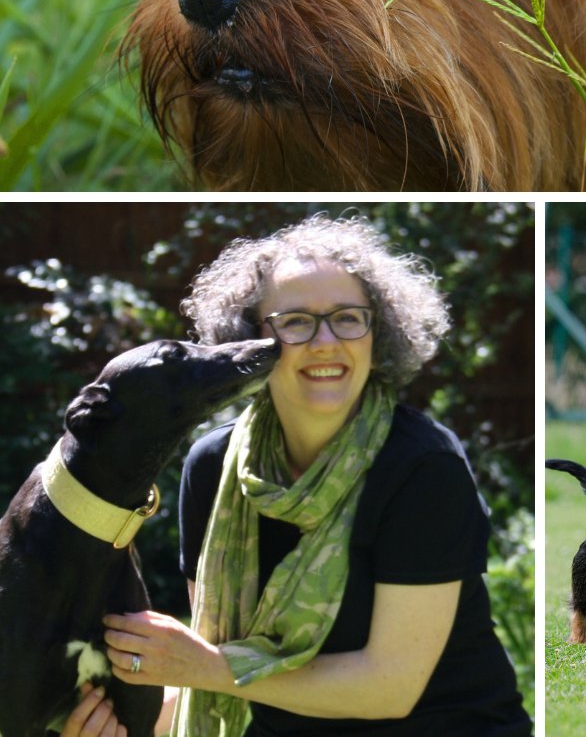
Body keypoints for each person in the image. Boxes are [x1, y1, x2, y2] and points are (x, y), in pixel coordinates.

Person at [63, 214, 531, 737]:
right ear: (250, 339)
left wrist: (203, 668)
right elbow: (216, 665)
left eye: (348, 318)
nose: (326, 341)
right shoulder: (212, 465)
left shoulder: (423, 467)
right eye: (295, 322)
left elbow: (390, 687)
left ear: (378, 332)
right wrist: (117, 725)